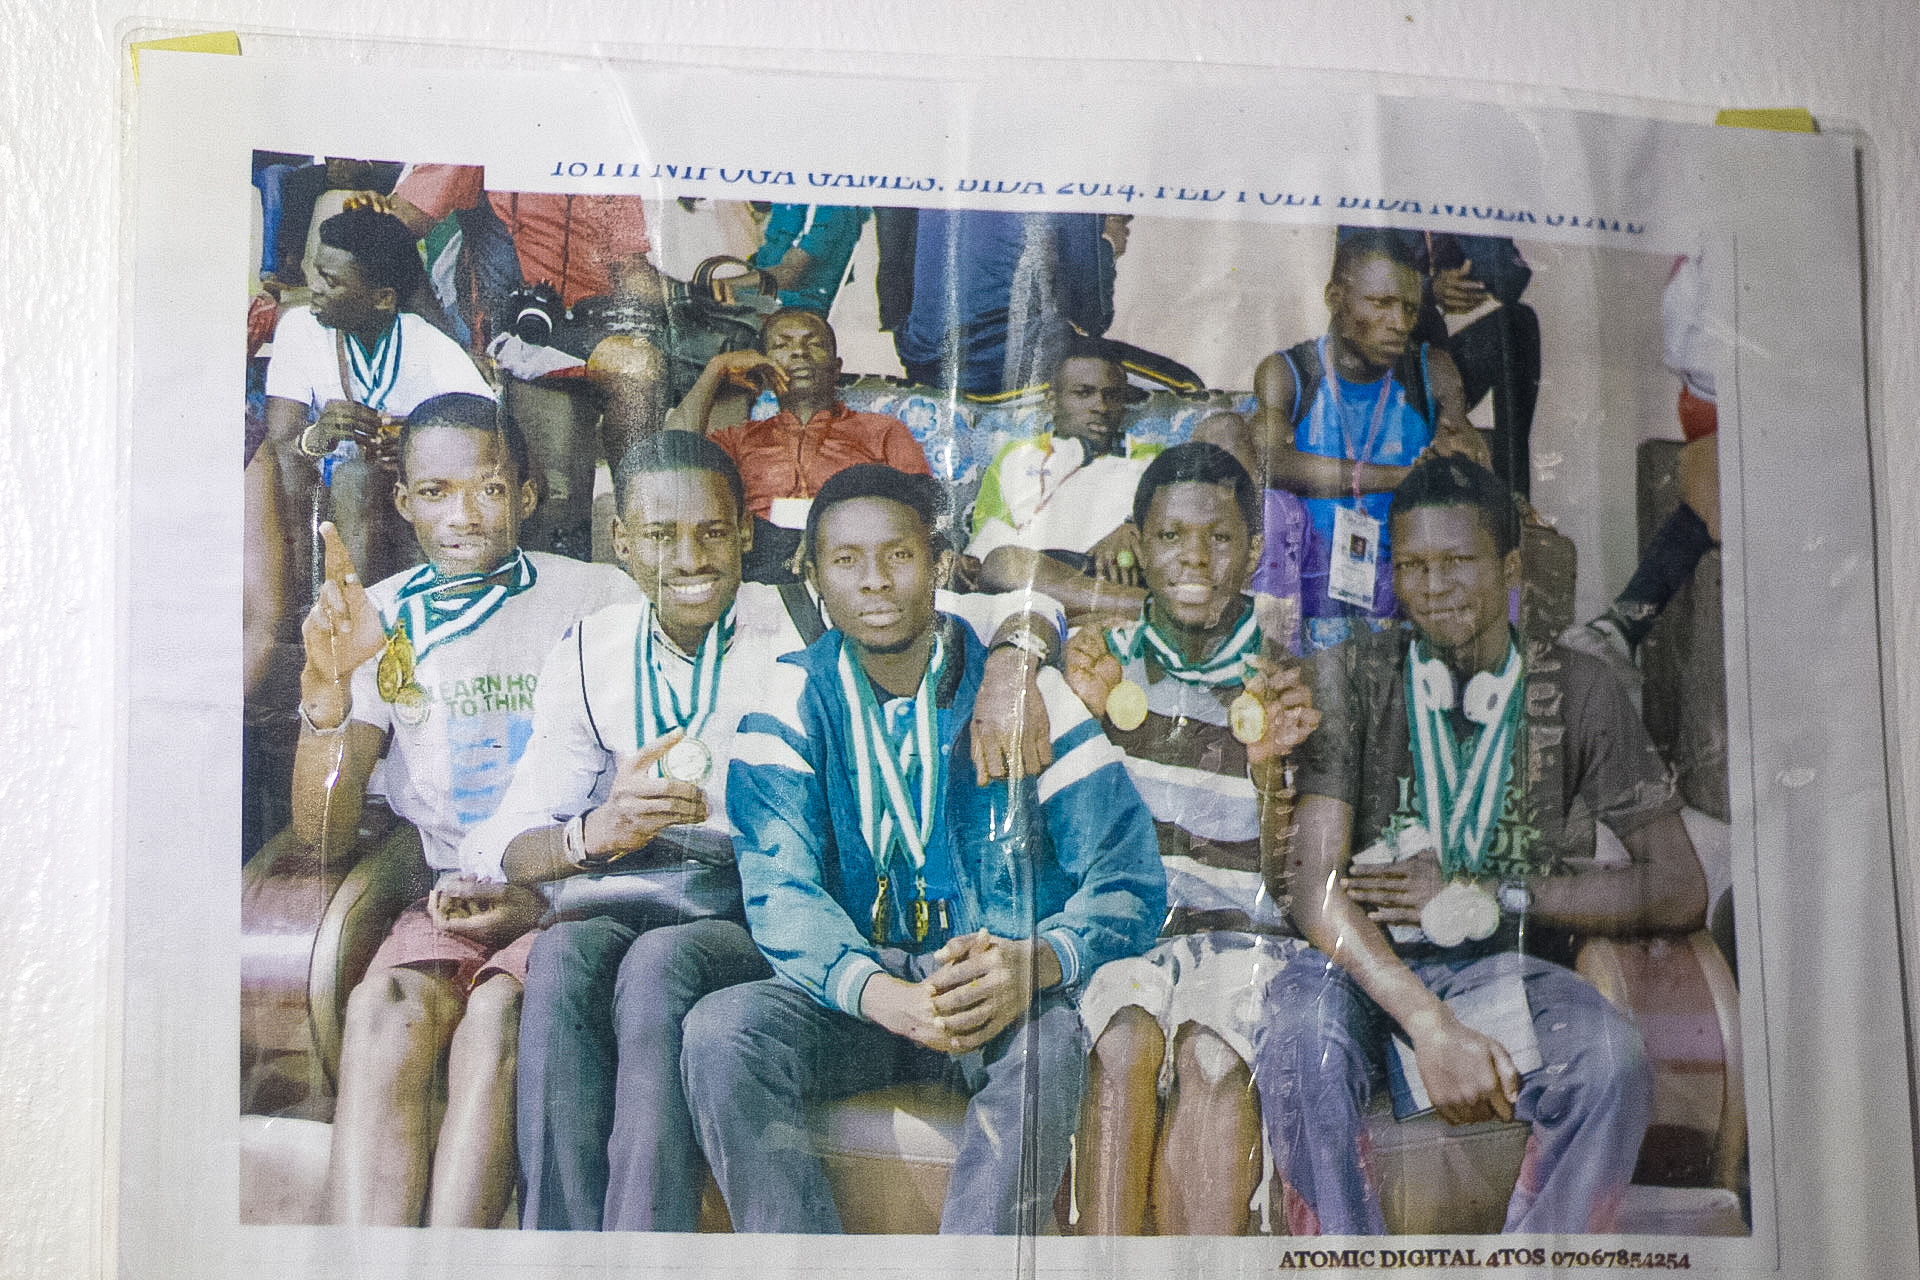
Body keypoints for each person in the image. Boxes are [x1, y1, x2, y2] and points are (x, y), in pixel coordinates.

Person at [457, 435, 1063, 1232]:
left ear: (745, 532)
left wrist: (1013, 669)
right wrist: (590, 832)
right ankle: (562, 1248)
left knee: (659, 963)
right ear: (623, 542)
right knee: (564, 953)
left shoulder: (809, 611)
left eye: (711, 532)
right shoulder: (589, 649)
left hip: (760, 891)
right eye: (661, 537)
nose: (690, 558)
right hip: (632, 880)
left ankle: (648, 1248)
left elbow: (1029, 604)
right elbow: (503, 831)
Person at [680, 464, 1167, 1235]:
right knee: (722, 1031)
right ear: (812, 576)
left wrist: (1035, 962)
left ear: (939, 564)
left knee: (1049, 1043)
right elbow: (780, 889)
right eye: (845, 561)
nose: (874, 582)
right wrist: (885, 997)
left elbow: (1131, 878)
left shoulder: (1020, 696)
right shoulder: (790, 699)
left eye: (898, 556)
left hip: (996, 988)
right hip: (864, 993)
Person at [1251, 454, 1708, 1236]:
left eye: (1458, 562)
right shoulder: (1350, 676)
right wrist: (1429, 1024)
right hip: (1362, 971)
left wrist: (1497, 893)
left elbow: (1679, 883)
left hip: (1506, 968)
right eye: (1414, 565)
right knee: (1298, 1041)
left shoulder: (1582, 689)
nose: (1433, 587)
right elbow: (1311, 886)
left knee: (1614, 1063)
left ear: (1510, 567)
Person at [292, 393, 637, 1226]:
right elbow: (324, 833)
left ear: (525, 492)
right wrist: (331, 694)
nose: (463, 516)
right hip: (456, 888)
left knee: (497, 1013)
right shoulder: (382, 617)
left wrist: (543, 891)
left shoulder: (596, 597)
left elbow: (640, 795)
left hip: (578, 888)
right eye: (436, 493)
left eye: (487, 488)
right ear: (404, 502)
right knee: (383, 1008)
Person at [1060, 442, 1320, 1235]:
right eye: (1171, 535)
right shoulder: (1101, 665)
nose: (1195, 557)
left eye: (1219, 537)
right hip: (1123, 934)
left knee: (1212, 1054)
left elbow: (1296, 880)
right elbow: (1064, 850)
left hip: (1244, 940)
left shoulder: (1287, 681)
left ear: (1253, 551)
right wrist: (1085, 726)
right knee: (1123, 1042)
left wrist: (1278, 774)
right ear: (1137, 544)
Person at [1217, 229, 1487, 655]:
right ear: (1335, 298)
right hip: (1300, 574)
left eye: (1409, 308)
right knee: (1273, 510)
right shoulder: (1288, 372)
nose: (1399, 323)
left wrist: (1464, 453)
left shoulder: (1432, 371)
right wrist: (1401, 477)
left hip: (1395, 572)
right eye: (1381, 304)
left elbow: (1463, 442)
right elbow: (1271, 464)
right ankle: (1270, 666)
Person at [388, 164, 668, 558]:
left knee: (657, 368)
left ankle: (638, 532)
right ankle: (632, 538)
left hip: (593, 327)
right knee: (637, 371)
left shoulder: (605, 156)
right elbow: (391, 231)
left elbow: (630, 269)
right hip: (517, 332)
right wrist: (446, 340)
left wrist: (702, 294)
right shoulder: (485, 140)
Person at [263, 204, 496, 587]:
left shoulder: (427, 345)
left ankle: (361, 618)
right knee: (290, 467)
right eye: (316, 272)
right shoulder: (300, 330)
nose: (315, 288)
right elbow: (282, 441)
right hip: (324, 498)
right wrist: (316, 437)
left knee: (359, 478)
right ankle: (300, 610)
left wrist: (418, 444)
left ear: (383, 298)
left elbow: (492, 439)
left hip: (403, 503)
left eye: (331, 280)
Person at [677, 308, 931, 583]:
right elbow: (671, 456)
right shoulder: (737, 439)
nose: (800, 353)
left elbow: (922, 504)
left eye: (813, 344)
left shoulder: (883, 430)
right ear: (763, 373)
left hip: (851, 557)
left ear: (836, 369)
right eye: (782, 345)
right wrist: (716, 368)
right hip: (756, 560)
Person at [1334, 228, 1542, 497]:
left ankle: (1514, 501)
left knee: (1518, 325)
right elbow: (1355, 283)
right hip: (1374, 372)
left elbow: (1514, 280)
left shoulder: (1456, 195)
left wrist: (1461, 220)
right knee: (1421, 323)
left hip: (1431, 371)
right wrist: (1430, 289)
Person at [968, 338, 1163, 622]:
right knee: (1003, 564)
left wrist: (1133, 527)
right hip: (1038, 578)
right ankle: (1149, 610)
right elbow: (988, 542)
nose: (1100, 406)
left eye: (1112, 395)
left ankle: (1119, 609)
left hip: (1113, 577)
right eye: (1083, 393)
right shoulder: (1016, 457)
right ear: (1052, 401)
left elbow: (1178, 527)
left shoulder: (1149, 457)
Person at [895, 208, 1118, 395]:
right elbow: (1093, 317)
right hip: (1000, 365)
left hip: (923, 356)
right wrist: (1109, 243)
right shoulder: (1070, 182)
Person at [748, 203, 871, 314]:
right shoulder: (794, 205)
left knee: (734, 298)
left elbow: (788, 274)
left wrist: (730, 283)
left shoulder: (830, 209)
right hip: (781, 292)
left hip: (803, 302)